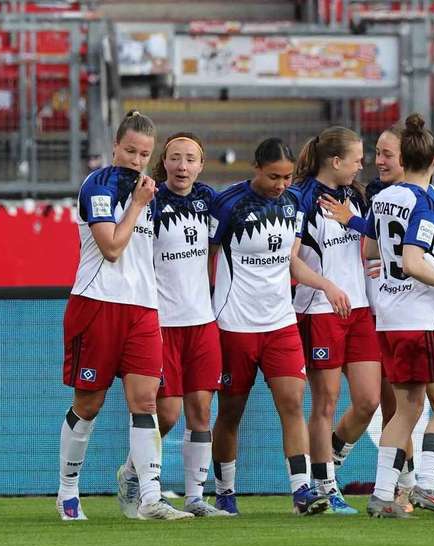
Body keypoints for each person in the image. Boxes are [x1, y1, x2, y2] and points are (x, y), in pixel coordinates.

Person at [323, 121, 434, 514]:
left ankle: (382, 495)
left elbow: (383, 245)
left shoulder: (382, 198)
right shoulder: (425, 201)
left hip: (389, 318)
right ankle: (427, 484)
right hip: (423, 316)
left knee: (406, 409)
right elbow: (412, 261)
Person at [58, 110, 192, 520]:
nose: (136, 159)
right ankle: (67, 491)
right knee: (89, 403)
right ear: (115, 146)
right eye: (130, 150)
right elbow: (112, 248)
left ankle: (149, 497)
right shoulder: (98, 187)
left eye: (144, 153)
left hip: (143, 309)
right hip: (97, 304)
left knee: (146, 401)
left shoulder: (150, 191)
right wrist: (136, 204)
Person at [208, 138, 349, 516]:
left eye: (287, 177)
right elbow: (205, 256)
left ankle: (302, 491)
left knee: (292, 404)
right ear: (256, 167)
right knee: (231, 412)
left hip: (280, 323)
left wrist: (325, 284)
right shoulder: (228, 203)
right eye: (274, 176)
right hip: (234, 324)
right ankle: (224, 492)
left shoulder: (293, 204)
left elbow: (292, 262)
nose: (282, 185)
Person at [116, 132, 231, 518]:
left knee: (201, 412)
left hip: (202, 322)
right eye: (176, 158)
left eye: (191, 159)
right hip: (161, 323)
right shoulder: (150, 201)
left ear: (201, 165)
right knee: (166, 414)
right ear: (163, 162)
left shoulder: (209, 201)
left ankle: (197, 497)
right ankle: (134, 472)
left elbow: (214, 250)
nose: (183, 166)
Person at [283, 126, 381, 515]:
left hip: (357, 309)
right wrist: (326, 286)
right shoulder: (301, 198)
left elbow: (371, 242)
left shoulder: (353, 195)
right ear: (336, 161)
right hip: (320, 309)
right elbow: (290, 260)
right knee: (324, 402)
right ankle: (324, 486)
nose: (363, 165)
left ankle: (332, 458)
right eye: (357, 159)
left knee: (368, 400)